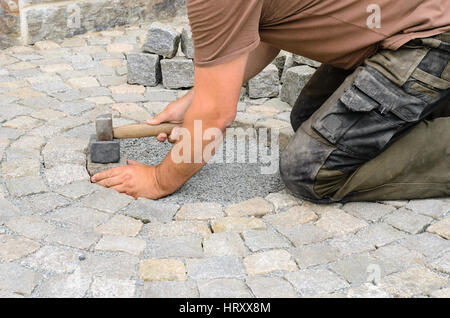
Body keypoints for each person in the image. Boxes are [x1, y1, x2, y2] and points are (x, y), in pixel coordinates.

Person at [91, 0, 450, 203]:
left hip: (429, 39)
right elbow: (264, 32)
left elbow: (216, 115)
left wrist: (158, 180)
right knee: (308, 118)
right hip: (402, 29)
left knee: (311, 169)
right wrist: (196, 98)